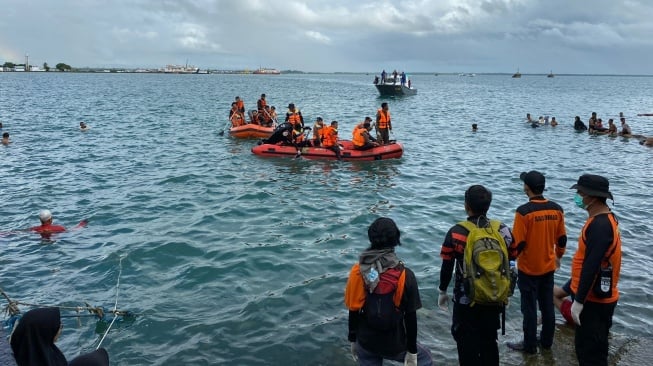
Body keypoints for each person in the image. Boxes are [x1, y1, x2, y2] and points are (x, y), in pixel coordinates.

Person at [438, 185, 516, 366]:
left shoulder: (456, 232)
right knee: (489, 340)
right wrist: (507, 288)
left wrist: (442, 291)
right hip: (495, 296)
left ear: (467, 205)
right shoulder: (502, 230)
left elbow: (447, 265)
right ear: (488, 206)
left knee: (466, 344)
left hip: (466, 299)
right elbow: (512, 258)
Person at [345, 217, 433, 366]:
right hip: (394, 344)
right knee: (426, 359)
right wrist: (411, 351)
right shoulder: (405, 274)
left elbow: (353, 310)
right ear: (396, 240)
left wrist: (353, 340)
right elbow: (410, 318)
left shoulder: (358, 271)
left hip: (366, 342)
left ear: (370, 238)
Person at [507, 171, 567, 354]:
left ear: (527, 188)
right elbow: (562, 238)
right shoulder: (557, 209)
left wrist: (510, 262)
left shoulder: (523, 212)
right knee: (547, 305)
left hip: (528, 269)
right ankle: (547, 341)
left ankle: (530, 344)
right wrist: (559, 256)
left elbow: (519, 243)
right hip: (548, 267)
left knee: (529, 309)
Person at [568, 174, 621, 366]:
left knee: (591, 354)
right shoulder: (603, 219)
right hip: (594, 297)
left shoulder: (600, 225)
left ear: (592, 197)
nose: (578, 196)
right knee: (589, 349)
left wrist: (579, 301)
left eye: (580, 193)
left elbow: (592, 265)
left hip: (594, 301)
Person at [10, 307, 109, 366]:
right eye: (58, 327)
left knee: (98, 356)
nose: (60, 330)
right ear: (44, 332)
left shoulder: (24, 349)